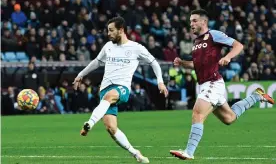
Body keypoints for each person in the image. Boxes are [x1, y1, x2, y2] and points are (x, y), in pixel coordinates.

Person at [169, 9, 275, 160]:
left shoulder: (214, 35)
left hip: (212, 83)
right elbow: (197, 65)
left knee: (197, 113)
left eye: (194, 20)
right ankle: (256, 96)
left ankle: (189, 152)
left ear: (203, 22)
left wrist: (228, 57)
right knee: (229, 118)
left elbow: (238, 45)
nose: (191, 24)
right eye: (190, 21)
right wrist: (182, 63)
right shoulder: (196, 42)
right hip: (205, 84)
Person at [73, 16, 168, 163]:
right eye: (108, 31)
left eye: (111, 30)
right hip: (105, 90)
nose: (108, 33)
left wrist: (160, 82)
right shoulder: (108, 46)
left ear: (121, 30)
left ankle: (89, 123)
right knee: (111, 128)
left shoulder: (136, 48)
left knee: (109, 97)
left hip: (121, 88)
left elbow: (154, 63)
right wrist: (81, 74)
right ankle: (136, 153)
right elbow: (96, 62)